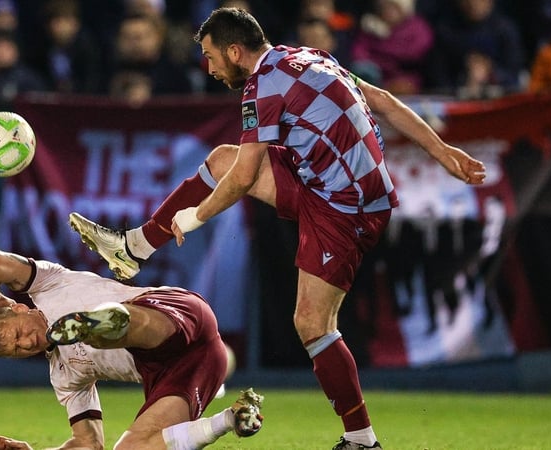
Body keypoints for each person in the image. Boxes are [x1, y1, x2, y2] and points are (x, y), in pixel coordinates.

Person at [68, 7, 486, 449]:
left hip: (347, 208)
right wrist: (443, 151)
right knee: (223, 159)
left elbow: (245, 178)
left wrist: (195, 216)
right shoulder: (309, 56)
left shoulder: (262, 86)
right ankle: (134, 247)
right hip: (322, 183)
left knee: (312, 323)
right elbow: (381, 100)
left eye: (210, 56)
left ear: (234, 51)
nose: (209, 69)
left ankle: (362, 440)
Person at [0, 250, 264, 450]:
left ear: (18, 308)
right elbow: (88, 444)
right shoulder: (64, 375)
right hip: (190, 368)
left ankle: (104, 322)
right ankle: (230, 419)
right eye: (16, 350)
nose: (26, 344)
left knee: (119, 327)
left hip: (170, 315)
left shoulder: (48, 285)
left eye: (18, 333)